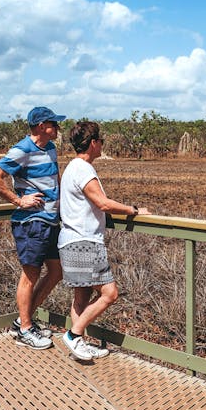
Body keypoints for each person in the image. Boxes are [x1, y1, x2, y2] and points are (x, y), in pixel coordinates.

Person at [59, 121, 151, 360]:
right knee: (110, 293)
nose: (102, 145)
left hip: (70, 239)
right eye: (101, 141)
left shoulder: (71, 167)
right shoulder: (84, 170)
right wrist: (133, 210)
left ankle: (78, 343)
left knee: (81, 296)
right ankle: (73, 335)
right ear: (93, 143)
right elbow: (103, 203)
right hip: (84, 242)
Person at [0, 106, 66, 350]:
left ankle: (24, 320)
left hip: (50, 220)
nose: (58, 128)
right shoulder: (22, 149)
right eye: (54, 124)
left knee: (56, 271)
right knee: (30, 275)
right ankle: (25, 330)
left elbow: (55, 180)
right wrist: (19, 200)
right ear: (42, 126)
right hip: (32, 222)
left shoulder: (50, 148)